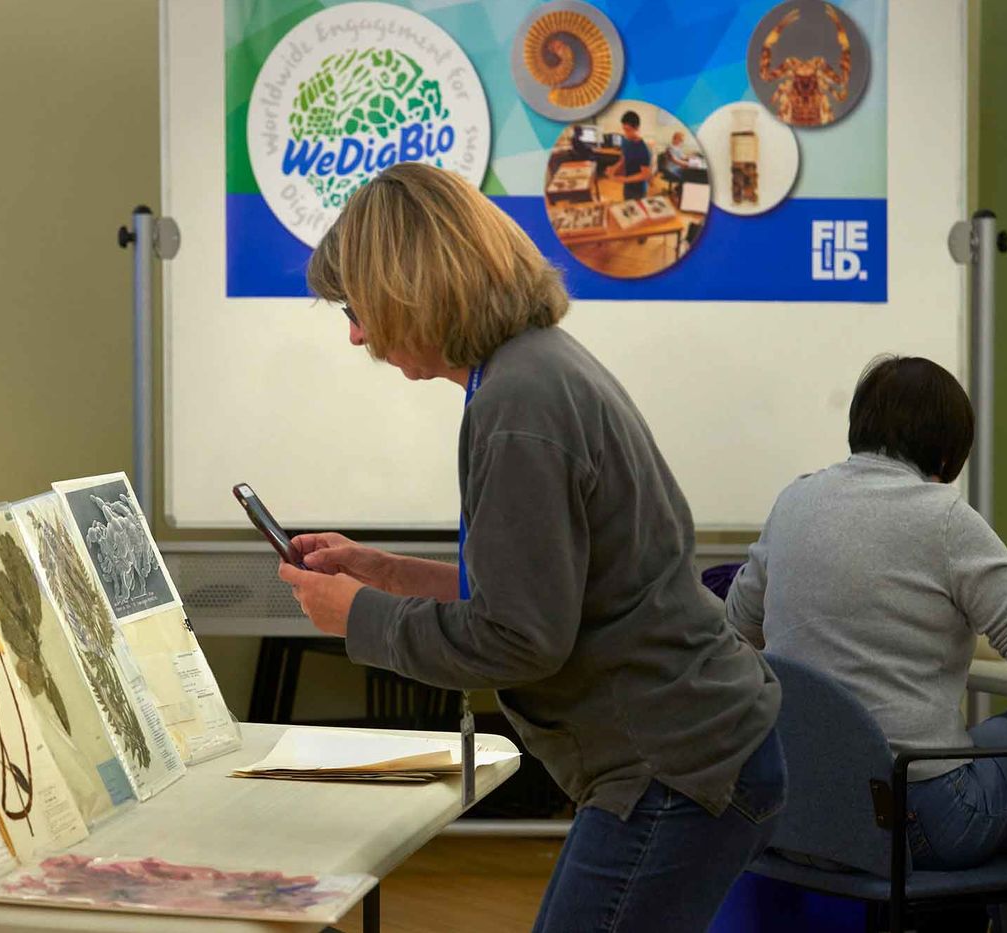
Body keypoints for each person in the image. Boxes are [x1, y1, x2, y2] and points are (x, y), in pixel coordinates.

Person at [282, 161, 785, 933]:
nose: (355, 332)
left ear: (411, 285)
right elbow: (538, 588)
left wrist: (363, 617)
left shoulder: (519, 403)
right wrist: (384, 574)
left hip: (670, 766)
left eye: (355, 306)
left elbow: (520, 638)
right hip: (683, 751)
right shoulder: (530, 371)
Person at [724, 355, 1007, 932]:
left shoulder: (793, 502)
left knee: (997, 752)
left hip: (801, 810)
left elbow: (738, 628)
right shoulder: (946, 520)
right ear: (947, 455)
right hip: (915, 820)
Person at [609, 109, 653, 200]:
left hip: (638, 190)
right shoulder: (625, 141)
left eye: (628, 130)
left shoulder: (643, 150)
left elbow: (645, 175)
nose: (626, 133)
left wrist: (624, 179)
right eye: (624, 129)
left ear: (637, 128)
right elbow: (623, 159)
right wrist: (614, 168)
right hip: (627, 186)